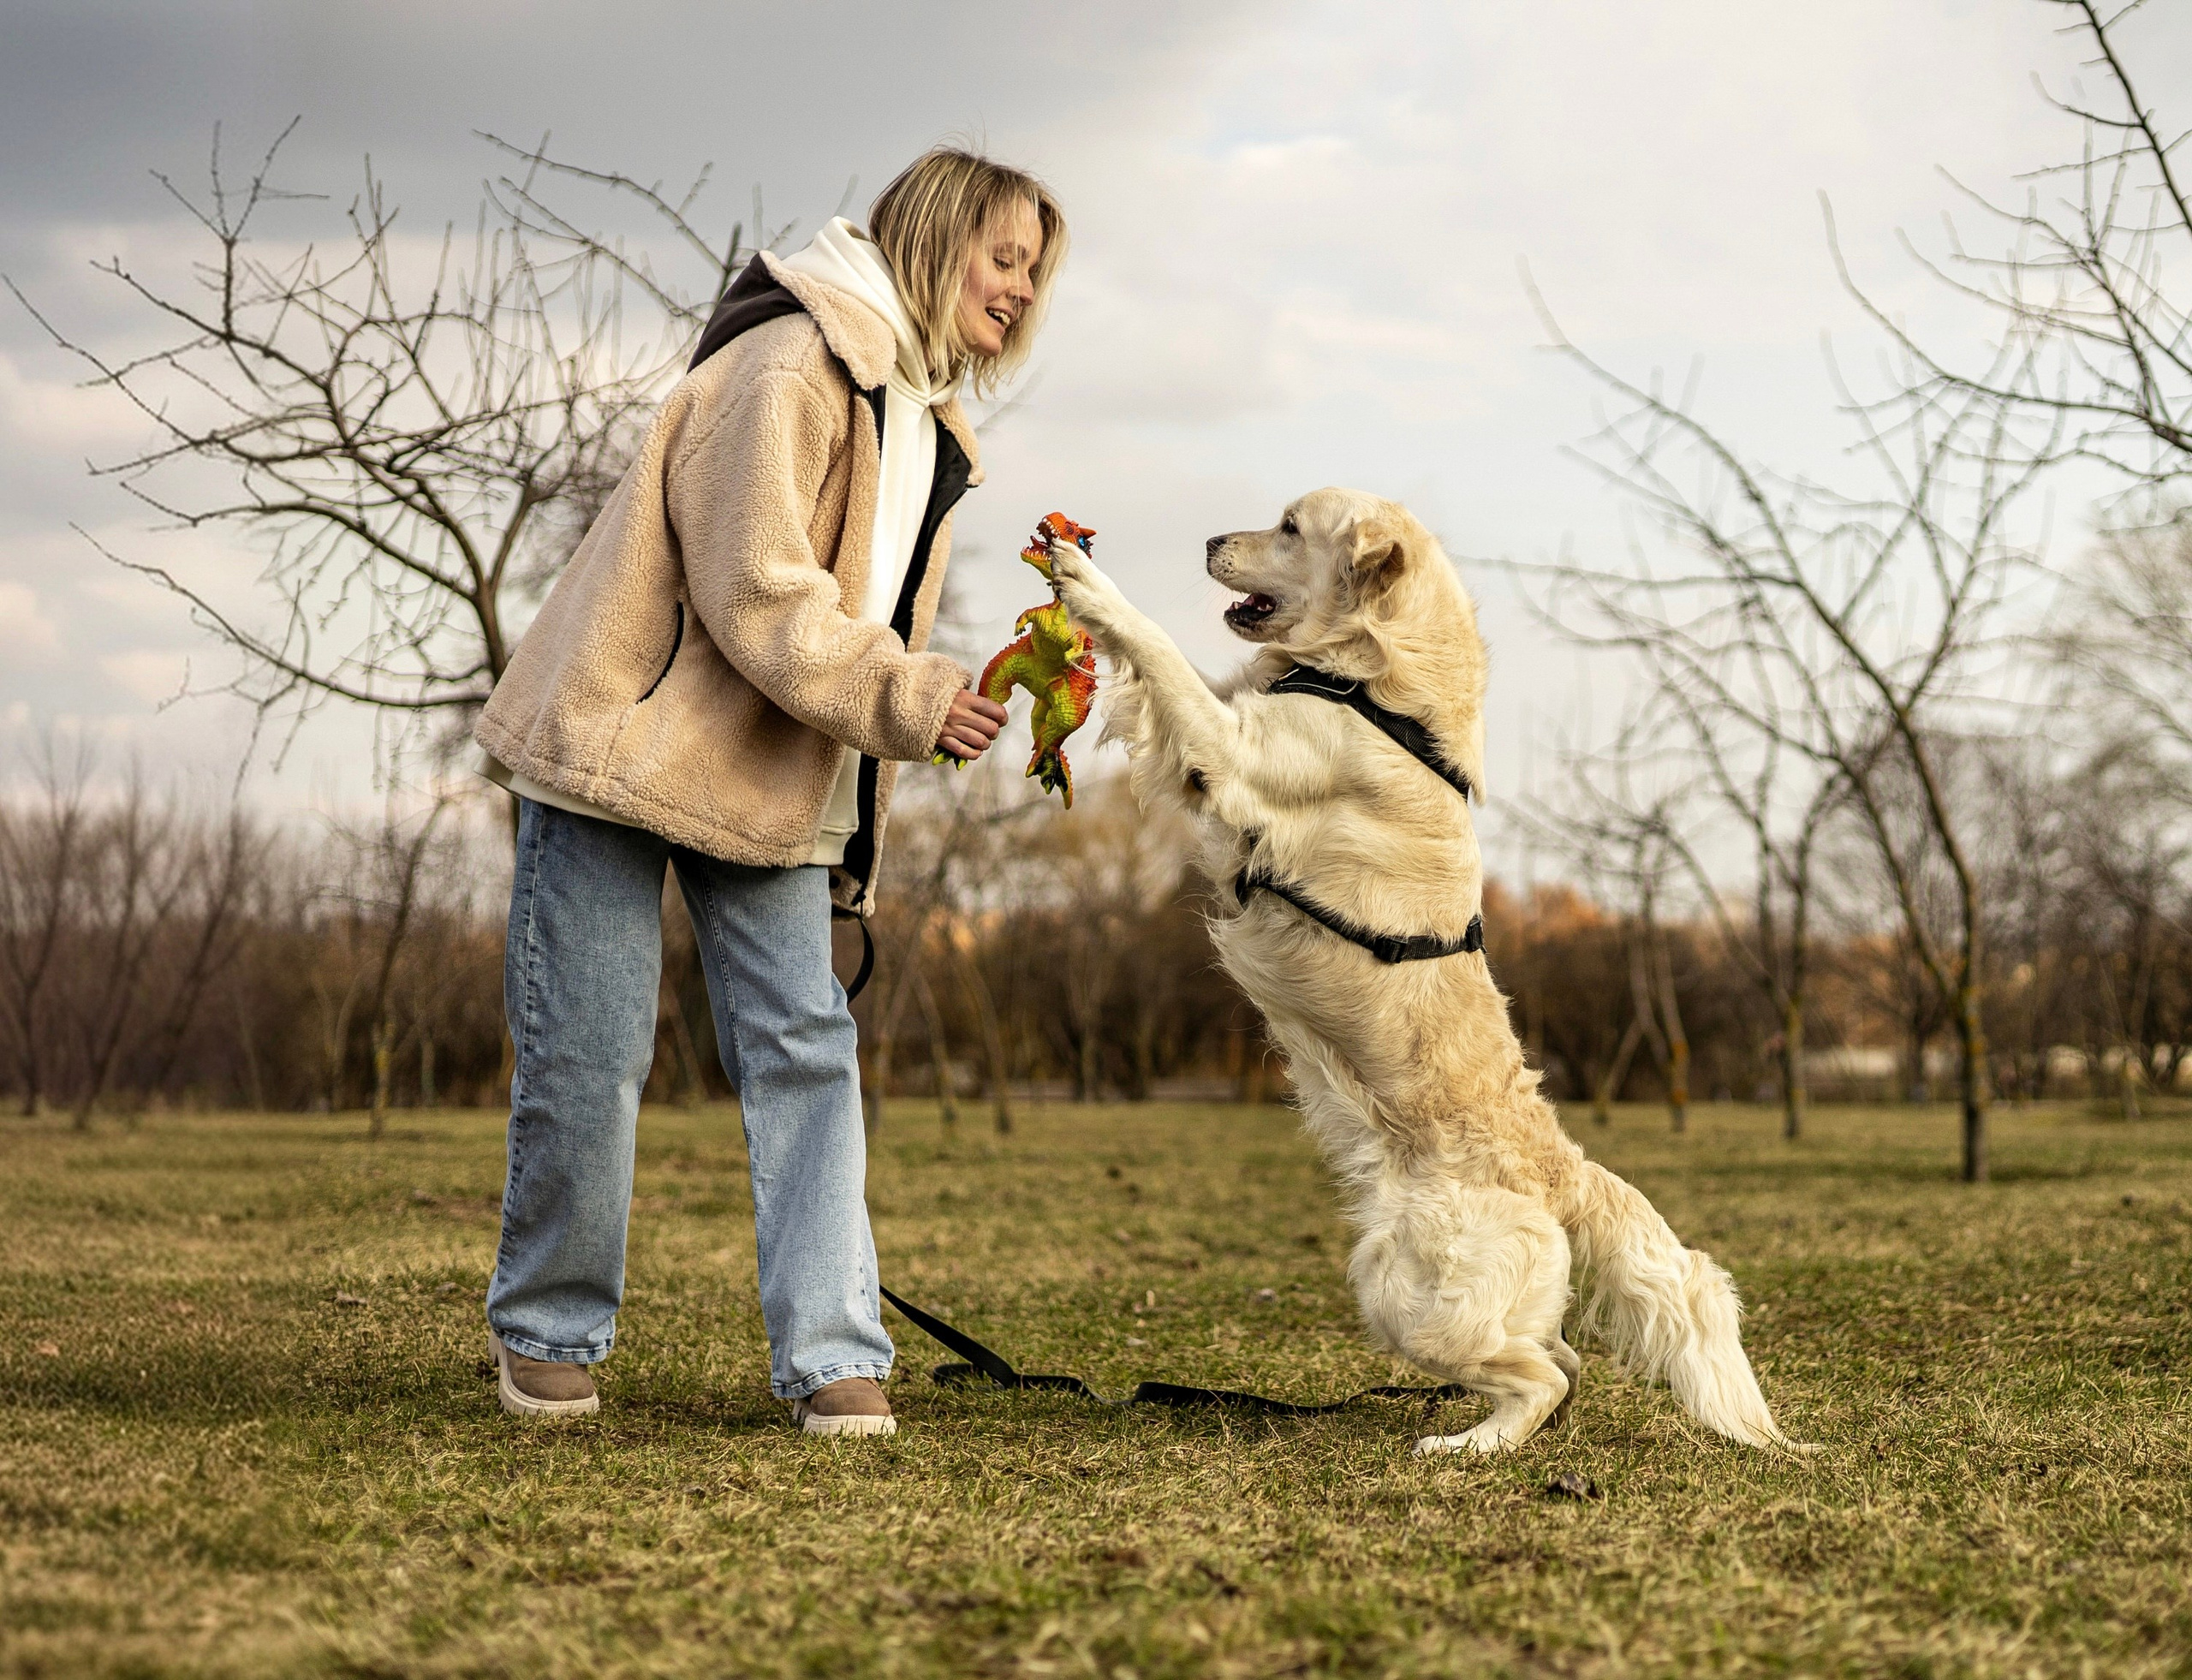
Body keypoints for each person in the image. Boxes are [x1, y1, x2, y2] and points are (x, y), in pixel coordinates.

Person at [470, 148, 1068, 1436]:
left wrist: (868, 799)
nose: (1022, 290)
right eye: (1004, 258)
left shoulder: (923, 419)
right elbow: (756, 588)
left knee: (804, 1043)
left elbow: (849, 616)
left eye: (1034, 271)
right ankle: (549, 1332)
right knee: (590, 1045)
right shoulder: (793, 362)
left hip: (772, 765)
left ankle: (832, 1349)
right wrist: (907, 696)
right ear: (935, 241)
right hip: (624, 743)